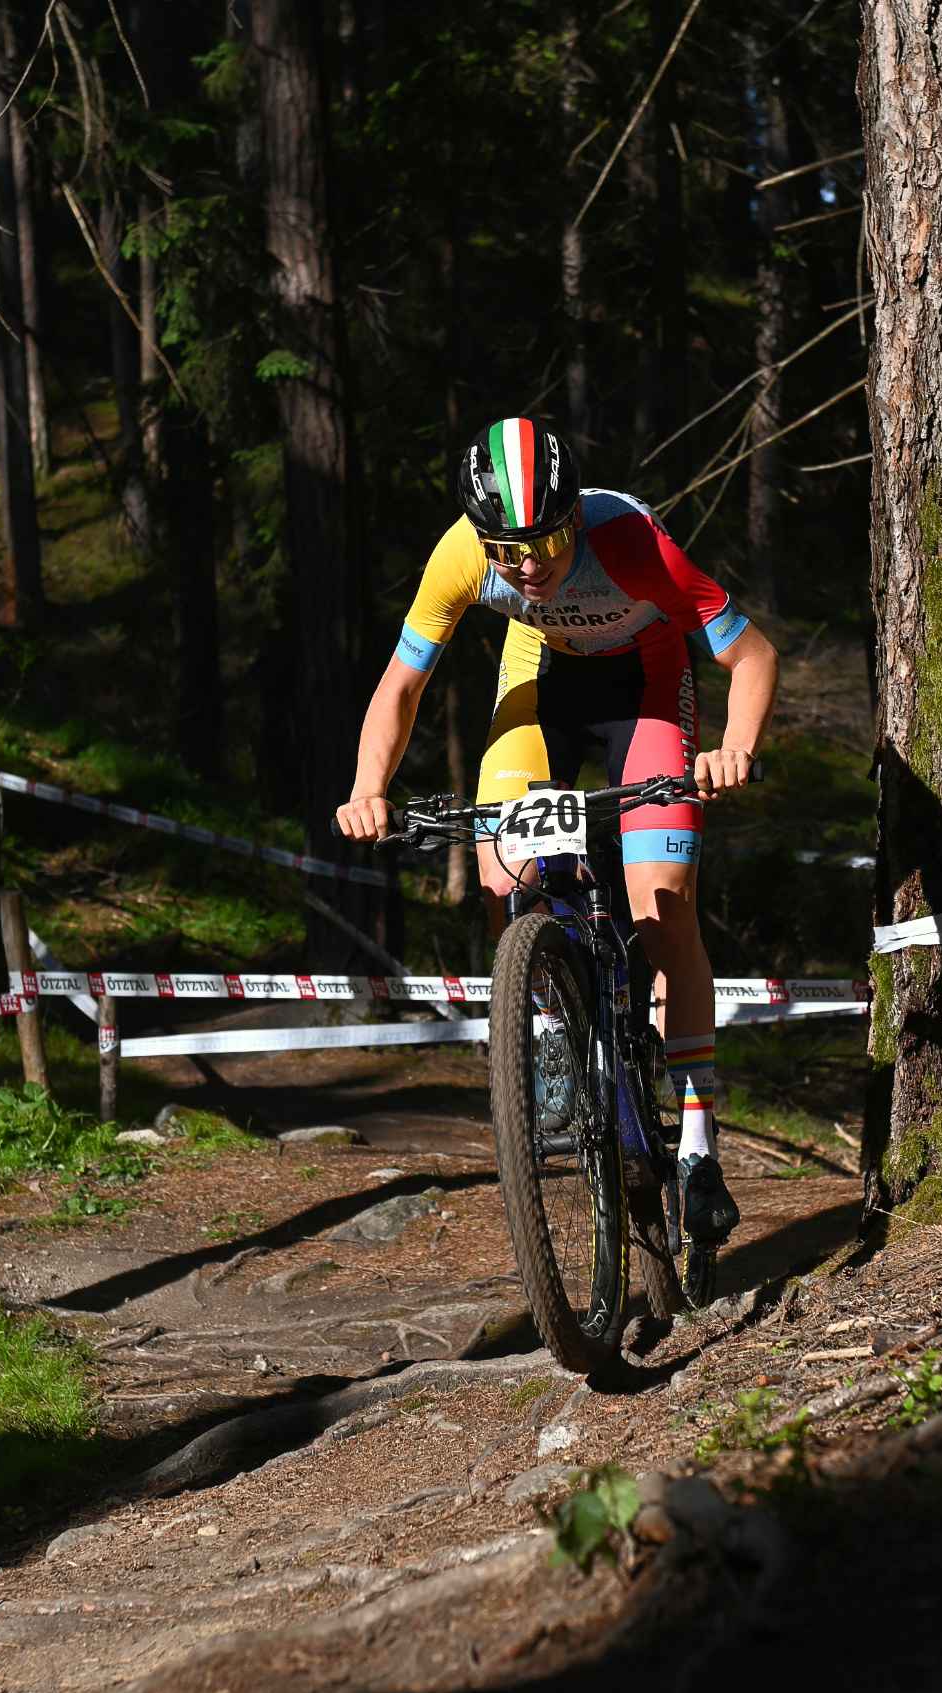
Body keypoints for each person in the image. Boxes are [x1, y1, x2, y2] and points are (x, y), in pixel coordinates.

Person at [336, 417, 778, 1255]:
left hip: (646, 684)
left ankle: (696, 1141)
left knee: (662, 903)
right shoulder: (460, 556)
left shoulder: (631, 543)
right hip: (540, 679)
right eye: (508, 550)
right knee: (504, 874)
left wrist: (736, 748)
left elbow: (752, 656)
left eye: (545, 541)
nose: (529, 565)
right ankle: (547, 1034)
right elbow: (401, 685)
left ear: (574, 517)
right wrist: (368, 789)